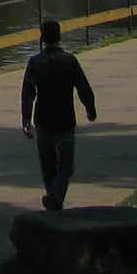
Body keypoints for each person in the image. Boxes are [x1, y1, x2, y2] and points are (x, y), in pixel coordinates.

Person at [20, 19, 99, 210]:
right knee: (66, 165)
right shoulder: (69, 61)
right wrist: (90, 110)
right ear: (60, 36)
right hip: (64, 119)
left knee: (47, 165)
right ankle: (55, 198)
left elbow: (28, 92)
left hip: (43, 119)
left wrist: (26, 120)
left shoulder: (35, 62)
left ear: (42, 37)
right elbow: (83, 88)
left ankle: (54, 199)